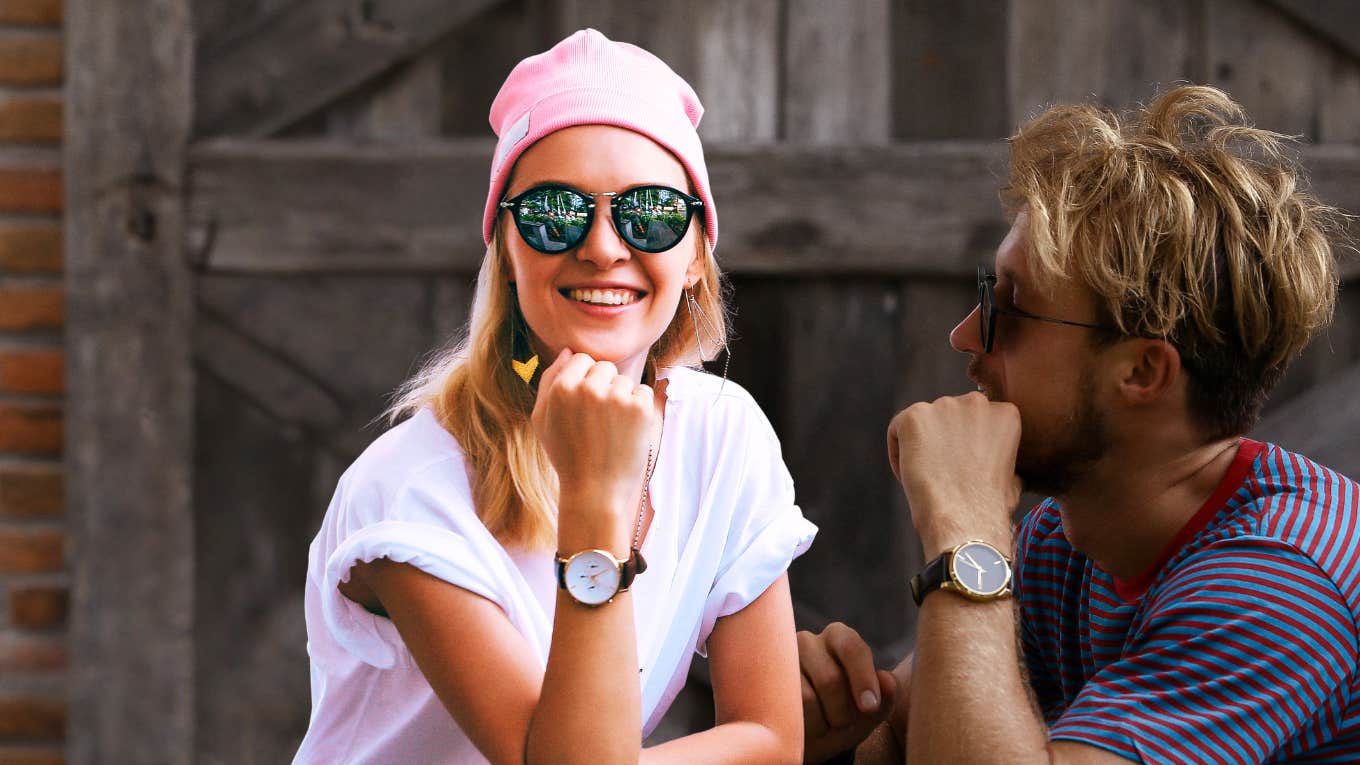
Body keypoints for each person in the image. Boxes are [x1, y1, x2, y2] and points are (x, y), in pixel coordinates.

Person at [292, 29, 815, 765]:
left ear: (696, 255)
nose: (603, 246)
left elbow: (770, 739)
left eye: (653, 213)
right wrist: (597, 498)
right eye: (556, 213)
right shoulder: (411, 493)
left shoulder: (723, 435)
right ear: (506, 248)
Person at [798, 84, 1359, 764]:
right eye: (986, 294)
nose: (965, 335)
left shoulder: (1274, 588)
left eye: (1013, 307)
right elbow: (900, 746)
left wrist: (967, 528)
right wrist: (834, 735)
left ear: (1142, 372)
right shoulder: (1064, 545)